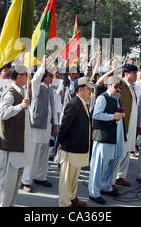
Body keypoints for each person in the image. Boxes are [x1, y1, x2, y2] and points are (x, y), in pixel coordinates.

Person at [0, 65, 33, 207]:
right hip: (8, 149)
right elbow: (3, 112)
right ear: (19, 76)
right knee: (4, 188)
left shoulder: (20, 91)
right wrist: (20, 107)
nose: (28, 77)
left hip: (15, 148)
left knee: (11, 188)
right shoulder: (11, 93)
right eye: (26, 75)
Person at [21, 59, 58, 192]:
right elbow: (35, 80)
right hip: (36, 126)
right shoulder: (37, 87)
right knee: (33, 153)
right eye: (49, 75)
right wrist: (43, 65)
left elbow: (53, 108)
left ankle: (40, 177)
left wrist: (55, 124)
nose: (52, 77)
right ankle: (26, 180)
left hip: (47, 126)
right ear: (44, 77)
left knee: (44, 153)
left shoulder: (49, 90)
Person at [57, 77, 94, 207]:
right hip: (70, 149)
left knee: (74, 178)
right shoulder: (73, 104)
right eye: (88, 89)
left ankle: (72, 198)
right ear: (80, 89)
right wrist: (60, 144)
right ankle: (65, 203)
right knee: (67, 179)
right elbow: (64, 127)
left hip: (79, 149)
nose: (90, 91)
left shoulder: (83, 103)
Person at [88, 76, 125, 205]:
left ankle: (105, 186)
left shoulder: (117, 98)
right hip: (103, 136)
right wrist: (112, 116)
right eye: (116, 87)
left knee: (112, 162)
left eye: (120, 87)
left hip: (114, 135)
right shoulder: (102, 98)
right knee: (98, 166)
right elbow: (96, 115)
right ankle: (94, 192)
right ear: (109, 85)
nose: (118, 89)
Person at [114, 64, 139, 187]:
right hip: (123, 125)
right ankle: (113, 179)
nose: (136, 76)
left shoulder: (131, 87)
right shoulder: (121, 86)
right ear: (126, 74)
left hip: (131, 125)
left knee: (127, 152)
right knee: (120, 153)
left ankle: (121, 176)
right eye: (134, 73)